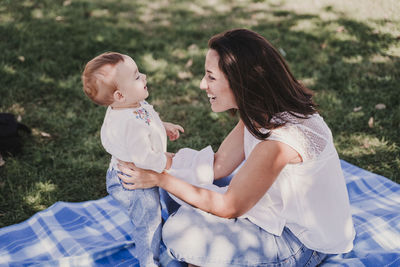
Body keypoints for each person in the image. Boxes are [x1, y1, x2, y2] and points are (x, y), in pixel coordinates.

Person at [117, 29, 356, 267]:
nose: (202, 85)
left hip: (299, 242)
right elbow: (219, 164)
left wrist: (159, 178)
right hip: (267, 212)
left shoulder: (281, 141)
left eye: (211, 77)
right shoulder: (260, 109)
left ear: (242, 81)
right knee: (181, 188)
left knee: (178, 232)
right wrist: (153, 160)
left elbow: (229, 206)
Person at [81, 52, 184, 267]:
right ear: (119, 95)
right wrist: (166, 160)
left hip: (133, 171)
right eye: (137, 76)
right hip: (132, 181)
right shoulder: (129, 122)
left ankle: (176, 226)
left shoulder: (131, 105)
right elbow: (144, 158)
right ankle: (149, 262)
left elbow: (147, 119)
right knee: (148, 222)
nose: (144, 76)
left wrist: (162, 126)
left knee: (167, 196)